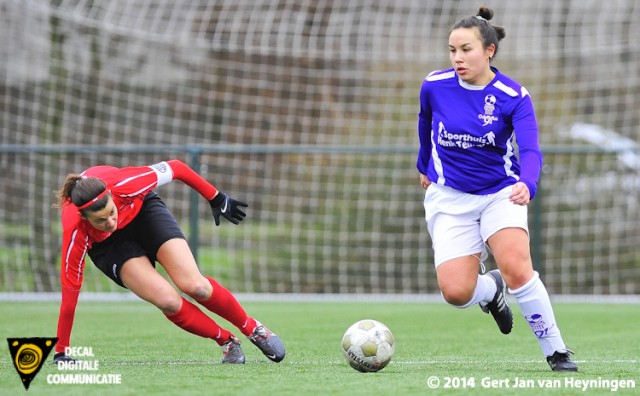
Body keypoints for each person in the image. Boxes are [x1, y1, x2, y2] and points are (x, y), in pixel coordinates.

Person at [416, 7, 577, 372]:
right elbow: (425, 123)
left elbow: (531, 149)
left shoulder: (513, 95)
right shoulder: (434, 85)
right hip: (449, 196)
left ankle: (556, 351)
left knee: (518, 268)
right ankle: (490, 291)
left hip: (500, 193)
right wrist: (423, 164)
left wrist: (528, 182)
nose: (458, 58)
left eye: (466, 49)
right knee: (456, 293)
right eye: (452, 50)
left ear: (489, 50)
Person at [52, 159, 285, 364]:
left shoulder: (125, 183)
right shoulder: (75, 231)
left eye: (111, 213)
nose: (110, 222)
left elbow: (176, 167)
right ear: (84, 218)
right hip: (109, 247)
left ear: (112, 197)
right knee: (168, 301)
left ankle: (252, 328)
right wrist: (61, 351)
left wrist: (216, 197)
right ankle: (226, 341)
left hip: (143, 214)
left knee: (195, 286)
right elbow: (70, 293)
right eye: (100, 220)